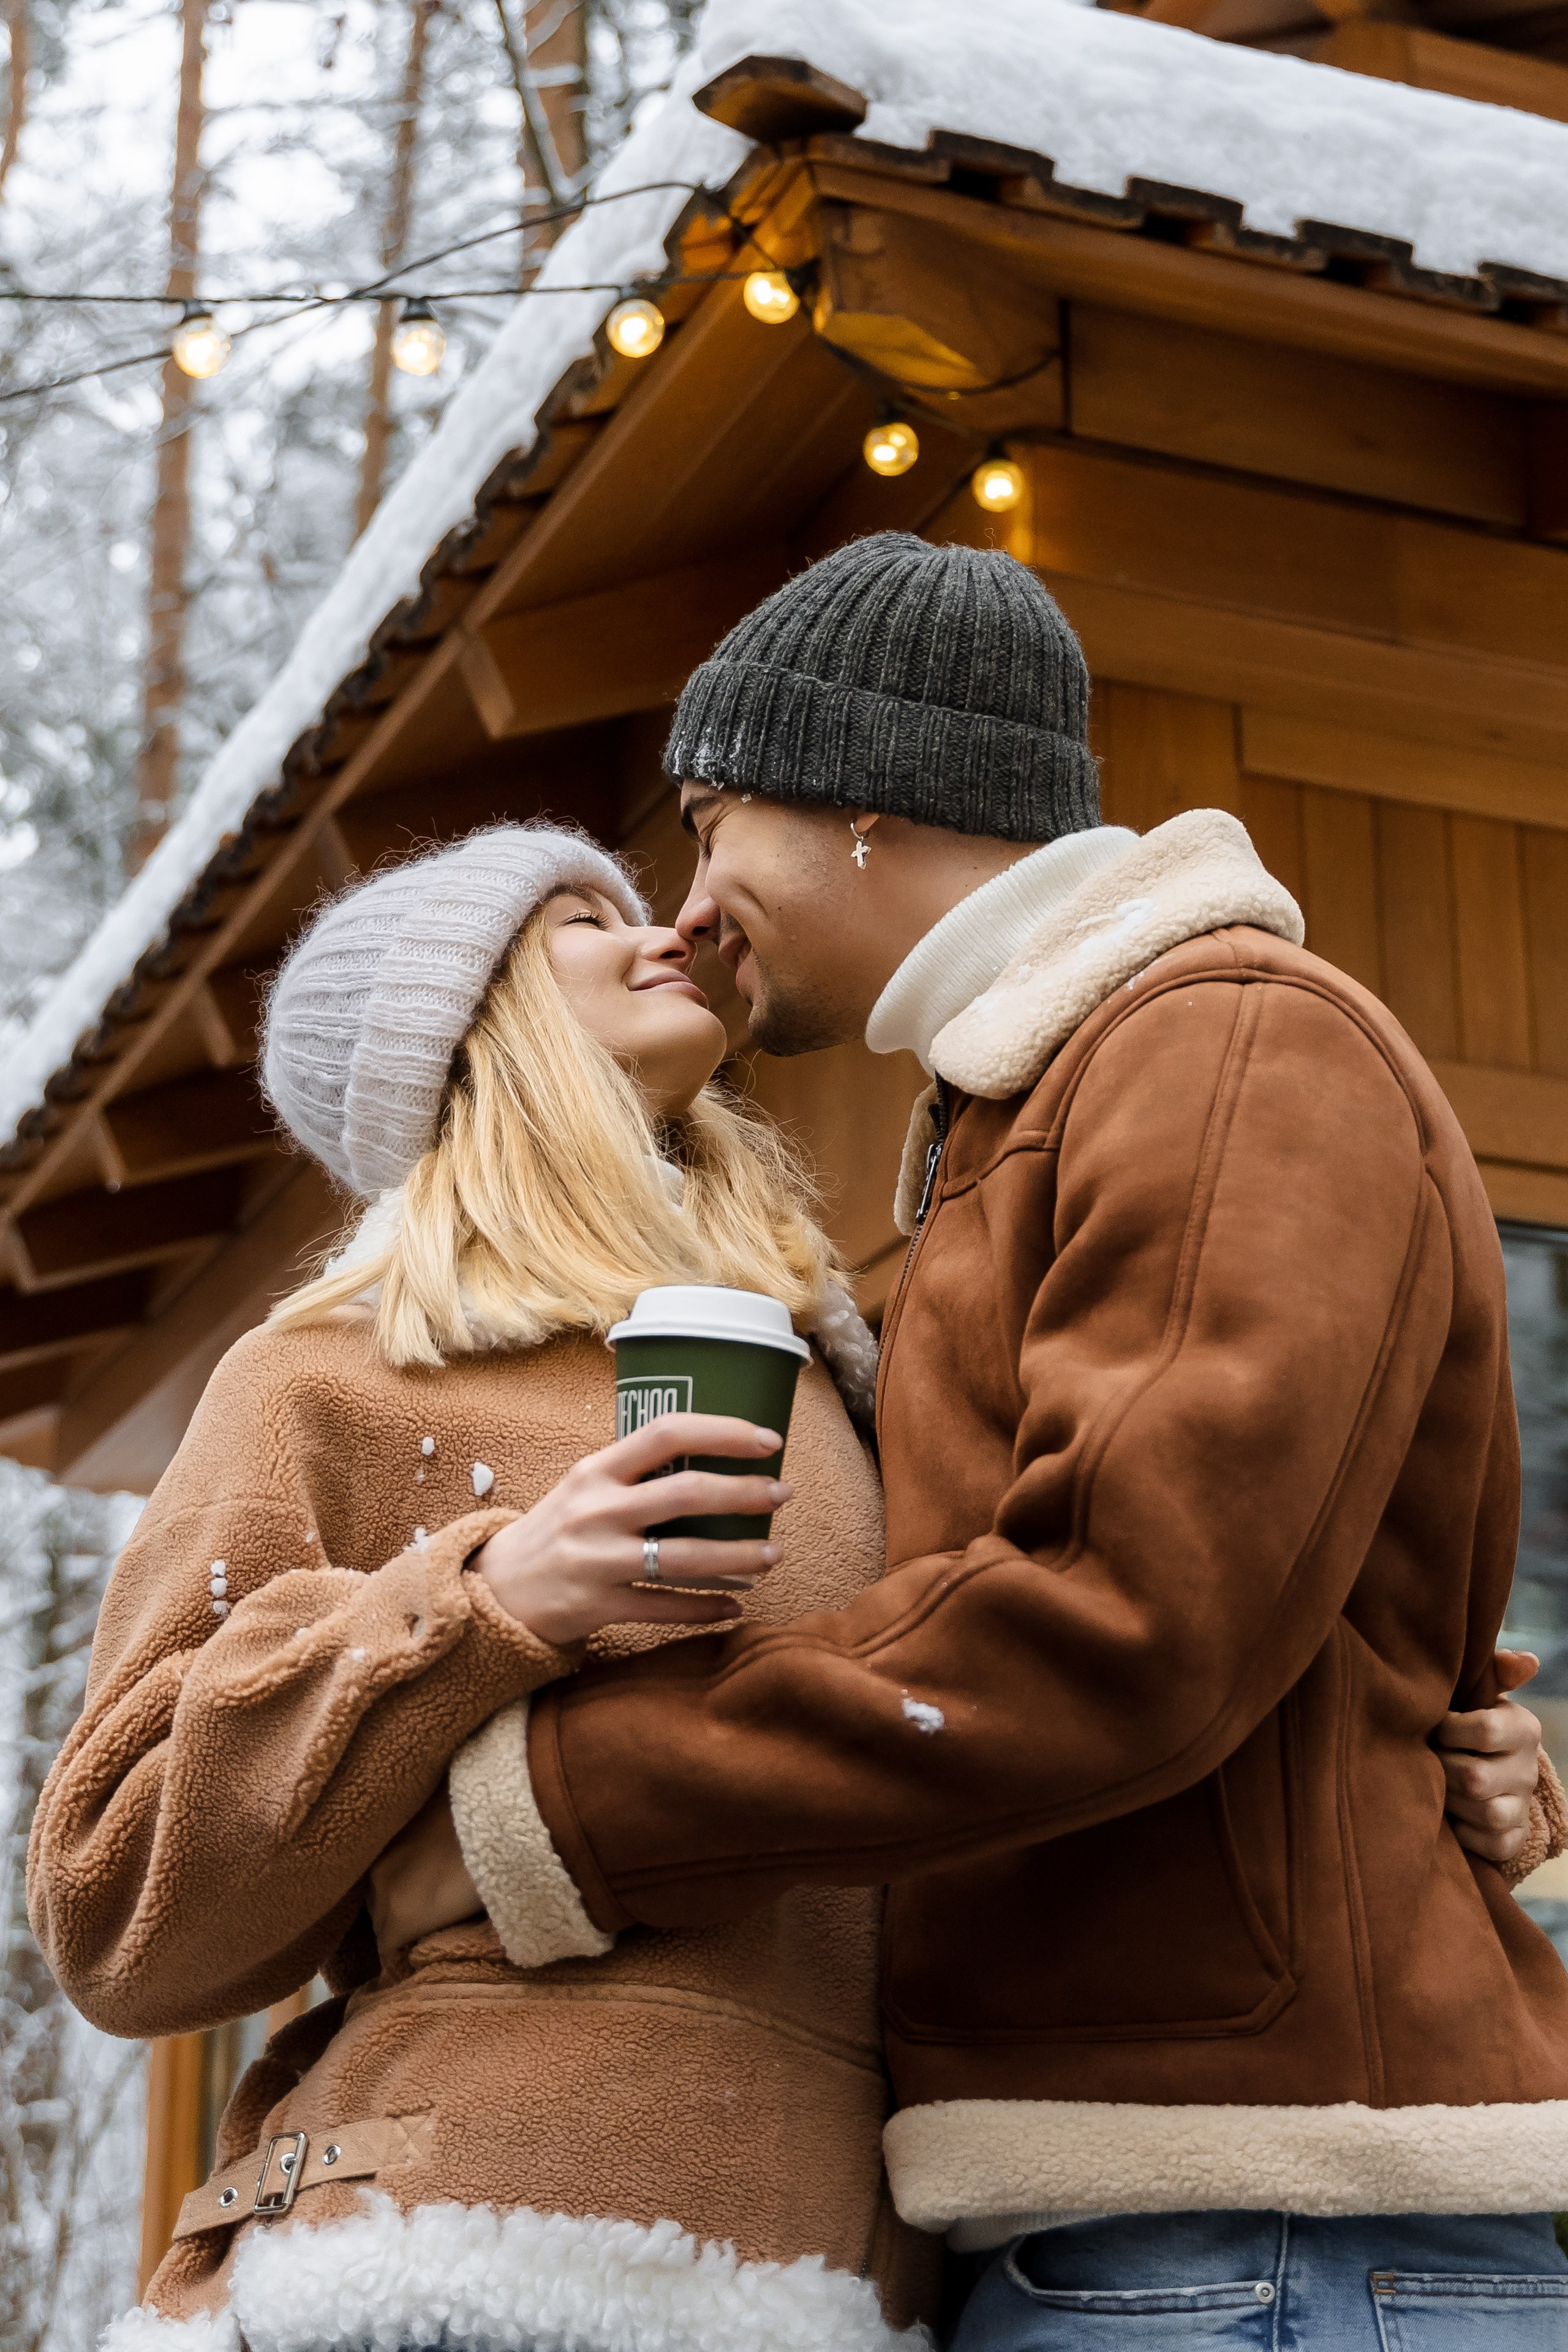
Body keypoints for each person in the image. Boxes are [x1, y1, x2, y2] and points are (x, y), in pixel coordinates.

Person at [411, 533, 1568, 2348]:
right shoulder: (1046, 1105)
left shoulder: (1221, 1052)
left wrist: (551, 1809)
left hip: (1252, 2237)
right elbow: (1298, 1599)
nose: (690, 908)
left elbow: (1123, 1610)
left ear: (863, 797)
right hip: (1167, 2231)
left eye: (710, 822)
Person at [28, 823, 936, 2352]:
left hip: (832, 2274)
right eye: (582, 920)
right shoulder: (327, 1375)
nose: (664, 934)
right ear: (464, 1028)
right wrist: (485, 1600)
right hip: (452, 2257)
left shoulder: (828, 1375)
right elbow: (112, 1908)